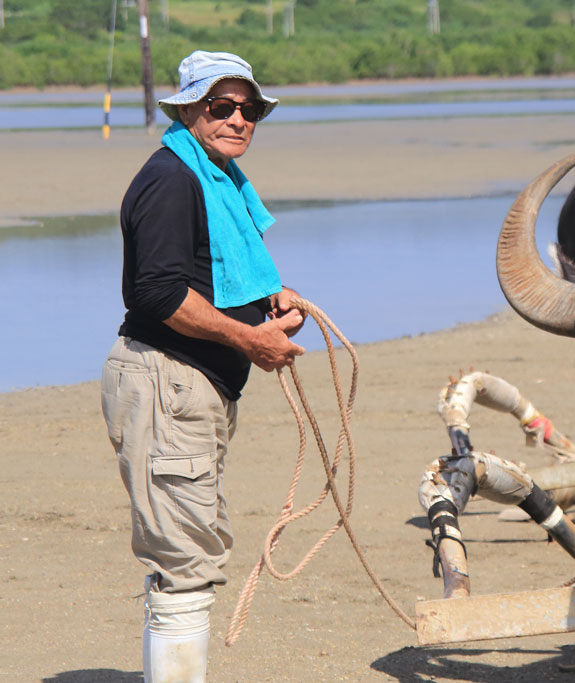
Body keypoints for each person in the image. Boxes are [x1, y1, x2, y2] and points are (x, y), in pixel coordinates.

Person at [100, 50, 305, 683]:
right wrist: (251, 339)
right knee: (186, 557)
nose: (239, 119)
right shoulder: (173, 180)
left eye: (251, 110)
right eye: (223, 107)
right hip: (169, 382)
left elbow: (204, 273)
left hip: (189, 387)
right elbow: (156, 293)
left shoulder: (216, 179)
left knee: (186, 548)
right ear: (190, 109)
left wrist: (270, 298)